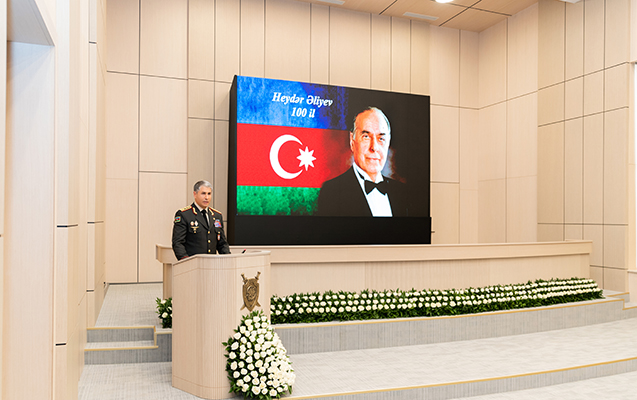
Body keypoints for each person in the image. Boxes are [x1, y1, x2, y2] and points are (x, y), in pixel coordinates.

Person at [317, 107, 409, 217]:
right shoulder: (332, 192)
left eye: (381, 138)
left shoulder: (402, 192)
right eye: (366, 137)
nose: (374, 147)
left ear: (388, 142)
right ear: (352, 141)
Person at [172, 180, 230, 260]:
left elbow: (222, 244)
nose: (206, 197)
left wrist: (228, 259)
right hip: (193, 264)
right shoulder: (184, 215)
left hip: (212, 263)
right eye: (203, 193)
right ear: (195, 194)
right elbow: (178, 243)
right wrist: (186, 261)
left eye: (209, 194)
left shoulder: (217, 216)